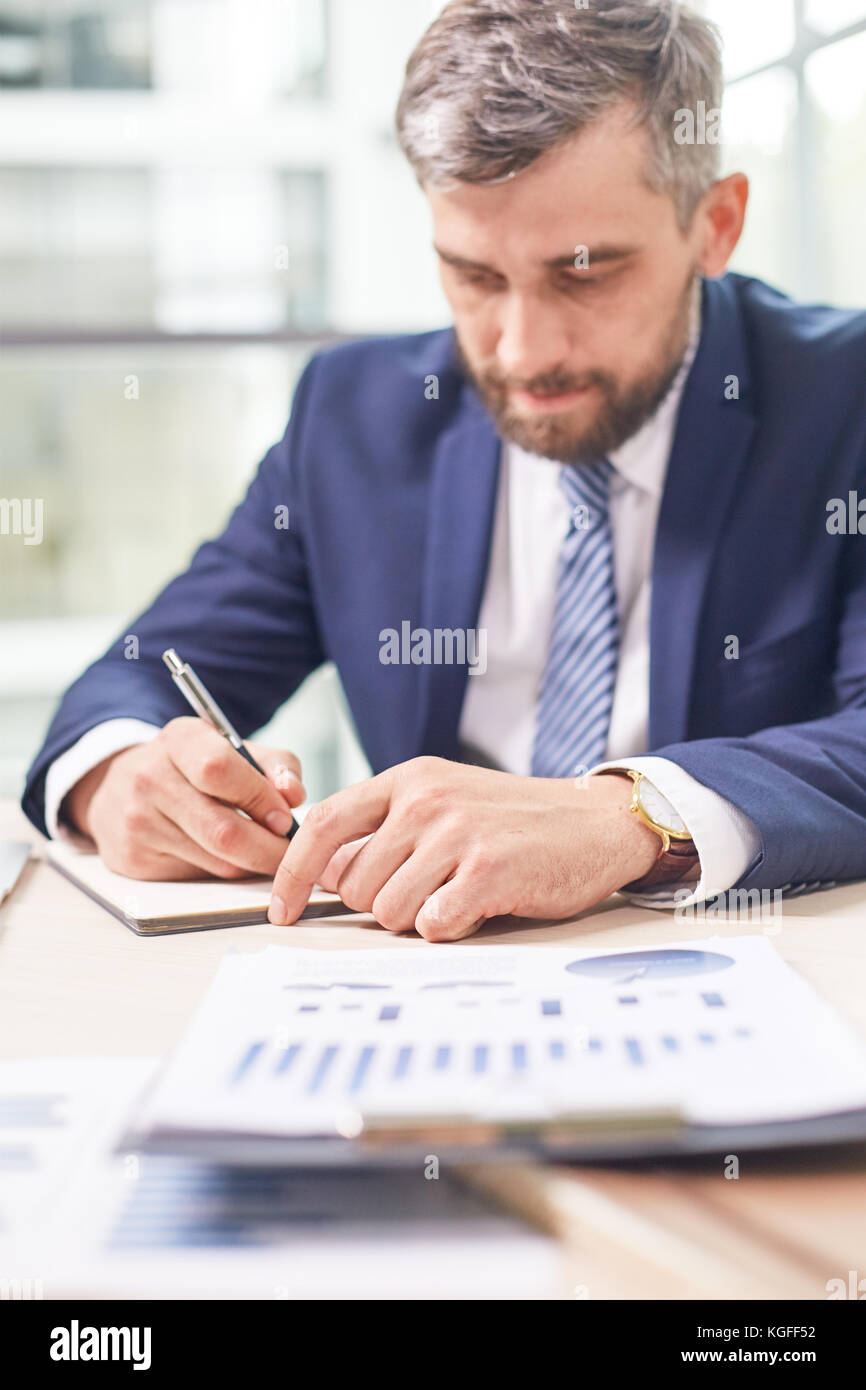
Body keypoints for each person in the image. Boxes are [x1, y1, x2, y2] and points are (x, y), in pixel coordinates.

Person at [22, 0, 866, 941]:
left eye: (585, 275)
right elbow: (135, 678)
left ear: (715, 224)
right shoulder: (355, 419)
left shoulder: (845, 399)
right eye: (474, 275)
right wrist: (122, 776)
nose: (520, 350)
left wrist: (629, 816)